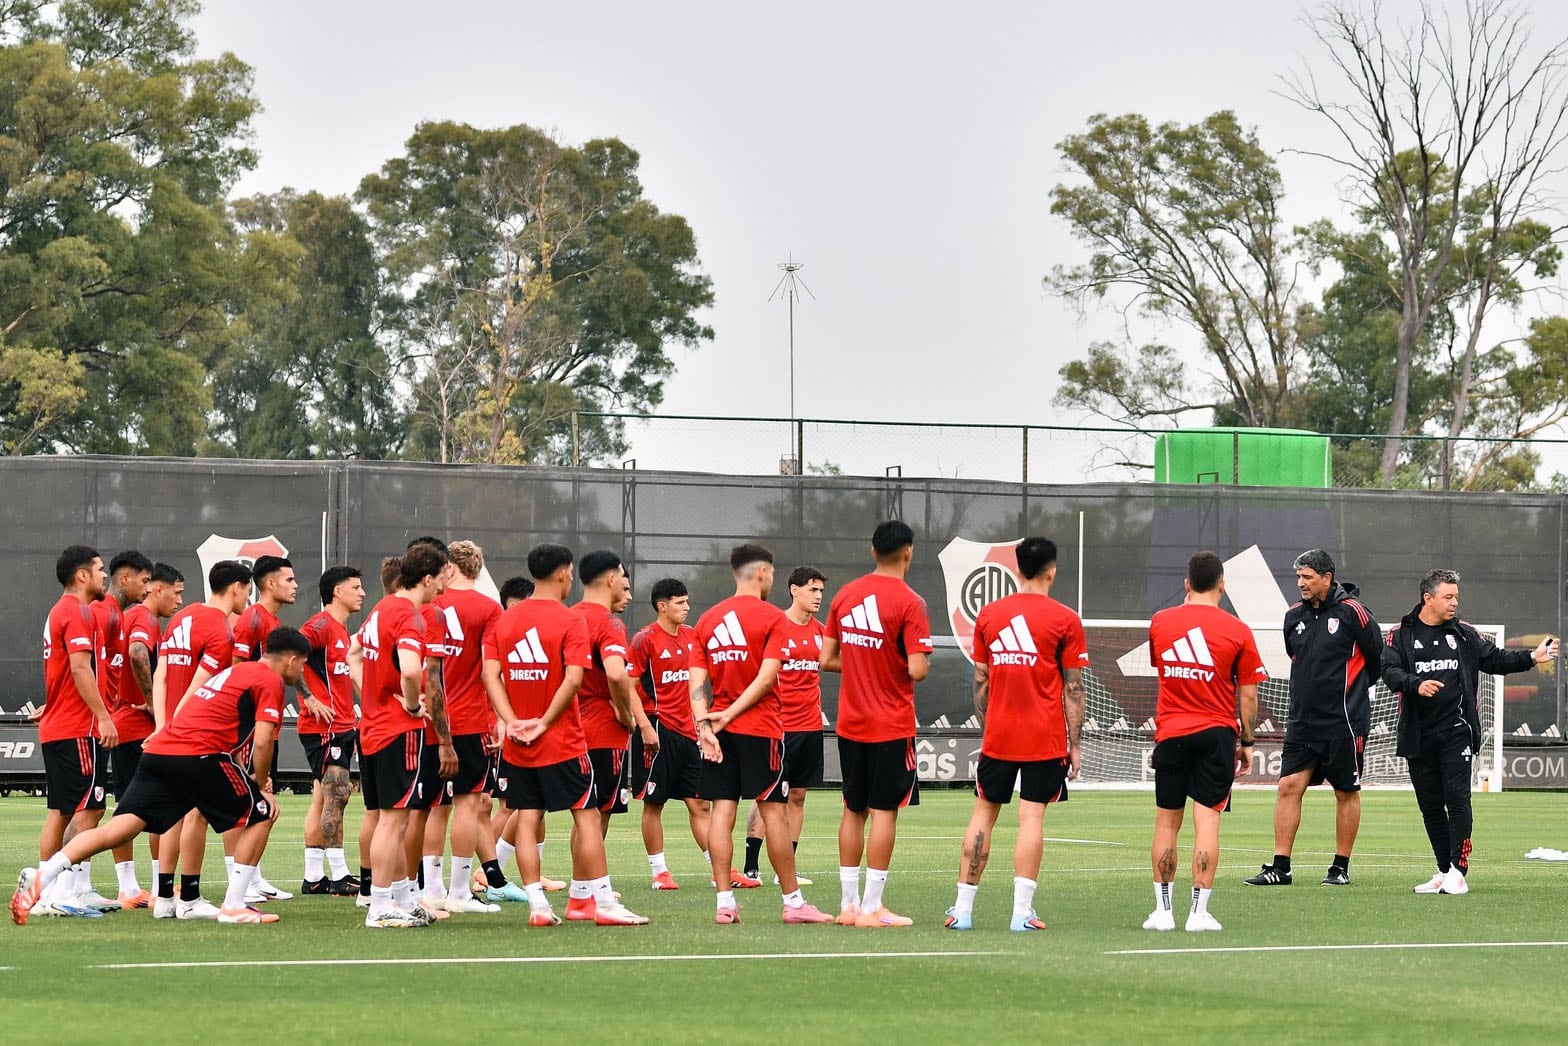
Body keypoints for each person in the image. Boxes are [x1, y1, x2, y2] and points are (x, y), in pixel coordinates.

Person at [12, 627, 313, 926]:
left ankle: (42, 876)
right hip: (198, 756)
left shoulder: (234, 673)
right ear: (291, 660)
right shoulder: (269, 680)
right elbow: (262, 741)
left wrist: (244, 775)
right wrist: (261, 786)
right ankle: (234, 905)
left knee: (119, 829)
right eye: (302, 664)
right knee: (261, 814)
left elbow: (218, 722)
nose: (301, 672)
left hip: (160, 752)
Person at [481, 543, 648, 926]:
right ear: (563, 573)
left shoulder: (504, 621)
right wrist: (543, 723)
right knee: (587, 817)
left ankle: (538, 905)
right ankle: (603, 903)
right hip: (564, 740)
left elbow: (491, 675)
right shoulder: (571, 619)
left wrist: (513, 721)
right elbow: (573, 679)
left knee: (526, 817)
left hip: (519, 743)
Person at [1381, 569, 1558, 895]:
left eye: (1456, 596)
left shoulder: (1463, 634)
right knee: (1430, 805)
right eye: (1448, 597)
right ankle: (1444, 869)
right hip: (1417, 734)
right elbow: (1389, 671)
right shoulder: (1400, 634)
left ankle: (1459, 872)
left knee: (1457, 799)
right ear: (1428, 598)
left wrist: (1533, 658)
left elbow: (1496, 659)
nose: (1454, 602)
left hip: (1456, 731)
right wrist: (1416, 685)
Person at [945, 537, 1087, 933]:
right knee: (1031, 818)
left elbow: (980, 680)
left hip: (999, 736)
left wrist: (989, 730)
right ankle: (1021, 913)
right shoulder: (1064, 619)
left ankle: (962, 910)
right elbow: (1073, 688)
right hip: (1044, 736)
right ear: (1052, 570)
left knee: (983, 815)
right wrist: (1074, 745)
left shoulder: (989, 615)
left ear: (1017, 568)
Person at [690, 544, 833, 925]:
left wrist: (705, 724)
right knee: (775, 814)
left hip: (719, 731)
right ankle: (794, 903)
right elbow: (768, 678)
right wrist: (728, 715)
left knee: (723, 811)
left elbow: (696, 682)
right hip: (762, 729)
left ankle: (725, 902)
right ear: (763, 574)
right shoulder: (773, 618)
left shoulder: (707, 620)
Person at [1142, 551, 1265, 933]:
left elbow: (1161, 667)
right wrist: (1246, 741)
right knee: (1207, 823)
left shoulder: (1161, 622)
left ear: (1186, 584)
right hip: (1216, 734)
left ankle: (1163, 912)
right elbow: (1247, 696)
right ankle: (1198, 913)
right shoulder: (1237, 630)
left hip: (1172, 733)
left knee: (1166, 823)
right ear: (1222, 586)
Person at [1246, 549, 1382, 888]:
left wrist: (1350, 696)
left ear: (1327, 577)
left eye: (1307, 577)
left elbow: (1377, 659)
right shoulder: (1293, 615)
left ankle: (1339, 866)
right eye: (1298, 577)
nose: (1301, 583)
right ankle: (1281, 867)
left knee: (1345, 791)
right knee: (1288, 786)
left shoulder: (1354, 613)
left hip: (1344, 722)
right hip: (1303, 722)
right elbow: (1298, 657)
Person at [821, 521, 933, 927]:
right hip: (891, 724)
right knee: (885, 812)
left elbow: (826, 659)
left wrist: (864, 661)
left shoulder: (845, 594)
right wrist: (892, 662)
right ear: (908, 552)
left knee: (853, 809)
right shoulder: (910, 601)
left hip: (851, 722)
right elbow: (918, 669)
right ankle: (872, 907)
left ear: (872, 552)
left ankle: (848, 906)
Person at [150, 559, 252, 920]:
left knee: (170, 815)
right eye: (248, 589)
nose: (248, 598)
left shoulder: (182, 616)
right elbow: (198, 690)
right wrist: (178, 729)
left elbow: (160, 674)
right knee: (197, 813)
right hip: (195, 735)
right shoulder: (221, 633)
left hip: (168, 732)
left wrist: (162, 726)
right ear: (237, 588)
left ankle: (163, 899)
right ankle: (190, 898)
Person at [357, 544, 447, 928]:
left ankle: (399, 899)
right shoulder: (409, 615)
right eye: (442, 577)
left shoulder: (381, 608)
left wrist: (374, 696)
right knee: (394, 822)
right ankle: (380, 907)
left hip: (373, 729)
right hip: (398, 732)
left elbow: (352, 654)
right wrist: (411, 705)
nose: (443, 586)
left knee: (387, 820)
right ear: (427, 578)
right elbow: (412, 671)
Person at [32, 546, 117, 919]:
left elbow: (64, 672)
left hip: (60, 726)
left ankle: (45, 890)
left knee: (63, 811)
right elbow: (81, 670)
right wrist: (103, 717)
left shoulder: (58, 611)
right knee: (89, 808)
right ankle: (62, 892)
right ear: (82, 576)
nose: (104, 576)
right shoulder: (77, 611)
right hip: (77, 728)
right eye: (99, 570)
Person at [427, 539, 506, 914]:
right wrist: (499, 719)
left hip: (431, 720)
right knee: (468, 805)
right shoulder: (491, 609)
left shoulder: (431, 603)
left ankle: (429, 889)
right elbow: (494, 671)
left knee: (433, 807)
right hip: (472, 719)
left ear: (451, 568)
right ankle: (459, 892)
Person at [744, 566, 827, 885]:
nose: (818, 595)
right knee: (768, 796)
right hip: (775, 727)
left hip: (809, 726)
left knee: (798, 796)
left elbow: (838, 662)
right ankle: (752, 866)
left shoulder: (820, 632)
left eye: (820, 590)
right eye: (812, 589)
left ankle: (786, 870)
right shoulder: (774, 627)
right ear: (794, 590)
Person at [627, 578, 711, 889]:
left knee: (701, 803)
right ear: (662, 606)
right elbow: (628, 686)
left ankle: (720, 869)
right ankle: (659, 873)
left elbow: (700, 685)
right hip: (657, 732)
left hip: (689, 735)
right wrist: (645, 727)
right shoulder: (644, 639)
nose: (687, 607)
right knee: (654, 803)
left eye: (687, 602)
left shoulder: (693, 637)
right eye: (680, 603)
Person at [107, 557, 179, 909]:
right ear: (157, 589)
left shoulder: (133, 616)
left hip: (130, 726)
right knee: (138, 805)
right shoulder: (143, 617)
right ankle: (137, 887)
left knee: (139, 804)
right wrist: (153, 702)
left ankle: (143, 886)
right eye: (176, 593)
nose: (179, 601)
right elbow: (137, 653)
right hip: (136, 728)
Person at [227, 554, 298, 903]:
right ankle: (239, 881)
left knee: (261, 798)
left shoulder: (271, 621)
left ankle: (252, 876)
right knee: (249, 799)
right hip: (247, 726)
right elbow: (237, 673)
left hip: (264, 721)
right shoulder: (252, 619)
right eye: (288, 579)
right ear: (268, 583)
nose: (295, 585)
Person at [86, 550, 152, 911]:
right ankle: (63, 883)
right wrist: (153, 703)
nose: (149, 588)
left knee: (95, 808)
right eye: (145, 581)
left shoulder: (114, 614)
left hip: (109, 722)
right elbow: (137, 655)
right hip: (116, 726)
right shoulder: (124, 614)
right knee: (101, 809)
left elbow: (89, 666)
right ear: (124, 579)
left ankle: (68, 883)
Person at [297, 565, 366, 896]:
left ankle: (313, 877)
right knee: (338, 795)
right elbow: (287, 654)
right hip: (325, 729)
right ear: (337, 591)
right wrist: (308, 697)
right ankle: (339, 875)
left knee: (323, 797)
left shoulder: (339, 631)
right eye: (355, 587)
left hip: (339, 726)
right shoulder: (320, 626)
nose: (362, 593)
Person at [572, 551, 637, 849]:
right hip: (602, 732)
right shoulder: (609, 623)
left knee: (583, 813)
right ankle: (590, 885)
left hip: (569, 729)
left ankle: (581, 884)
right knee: (599, 814)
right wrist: (626, 714)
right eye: (624, 579)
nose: (627, 589)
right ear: (611, 578)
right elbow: (616, 674)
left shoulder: (568, 617)